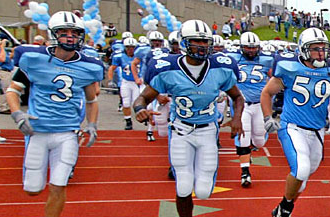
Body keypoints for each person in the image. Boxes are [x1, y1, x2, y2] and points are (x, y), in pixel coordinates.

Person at [133, 19, 244, 217]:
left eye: (204, 42)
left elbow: (237, 97)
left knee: (203, 192)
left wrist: (237, 119)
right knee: (183, 186)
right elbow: (143, 97)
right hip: (180, 130)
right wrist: (140, 108)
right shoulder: (168, 68)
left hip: (208, 130)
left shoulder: (220, 68)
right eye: (196, 41)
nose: (202, 46)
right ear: (184, 43)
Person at [6, 11, 102, 217]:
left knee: (58, 185)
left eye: (74, 32)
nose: (70, 37)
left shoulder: (88, 65)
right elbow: (13, 90)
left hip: (67, 133)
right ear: (53, 34)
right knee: (33, 190)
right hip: (37, 132)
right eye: (64, 32)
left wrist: (92, 124)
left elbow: (92, 100)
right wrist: (17, 114)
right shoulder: (33, 58)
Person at [260, 27, 330, 217]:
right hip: (292, 126)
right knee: (300, 170)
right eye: (315, 48)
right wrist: (268, 117)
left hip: (317, 131)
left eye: (323, 48)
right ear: (303, 49)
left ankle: (285, 205)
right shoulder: (290, 68)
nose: (320, 53)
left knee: (306, 175)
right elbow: (267, 93)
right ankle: (285, 209)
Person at [225, 32, 274, 187]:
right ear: (241, 47)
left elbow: (275, 77)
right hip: (242, 105)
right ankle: (245, 172)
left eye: (254, 47)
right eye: (248, 47)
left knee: (259, 141)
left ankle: (249, 150)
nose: (251, 50)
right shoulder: (232, 59)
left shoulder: (267, 59)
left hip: (259, 104)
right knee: (243, 139)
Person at [108, 37, 140, 131]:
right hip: (126, 82)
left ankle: (145, 118)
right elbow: (111, 68)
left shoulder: (140, 56)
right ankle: (128, 122)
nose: (130, 49)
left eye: (132, 47)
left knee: (137, 103)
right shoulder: (119, 56)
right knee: (126, 103)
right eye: (128, 47)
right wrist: (110, 80)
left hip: (137, 82)